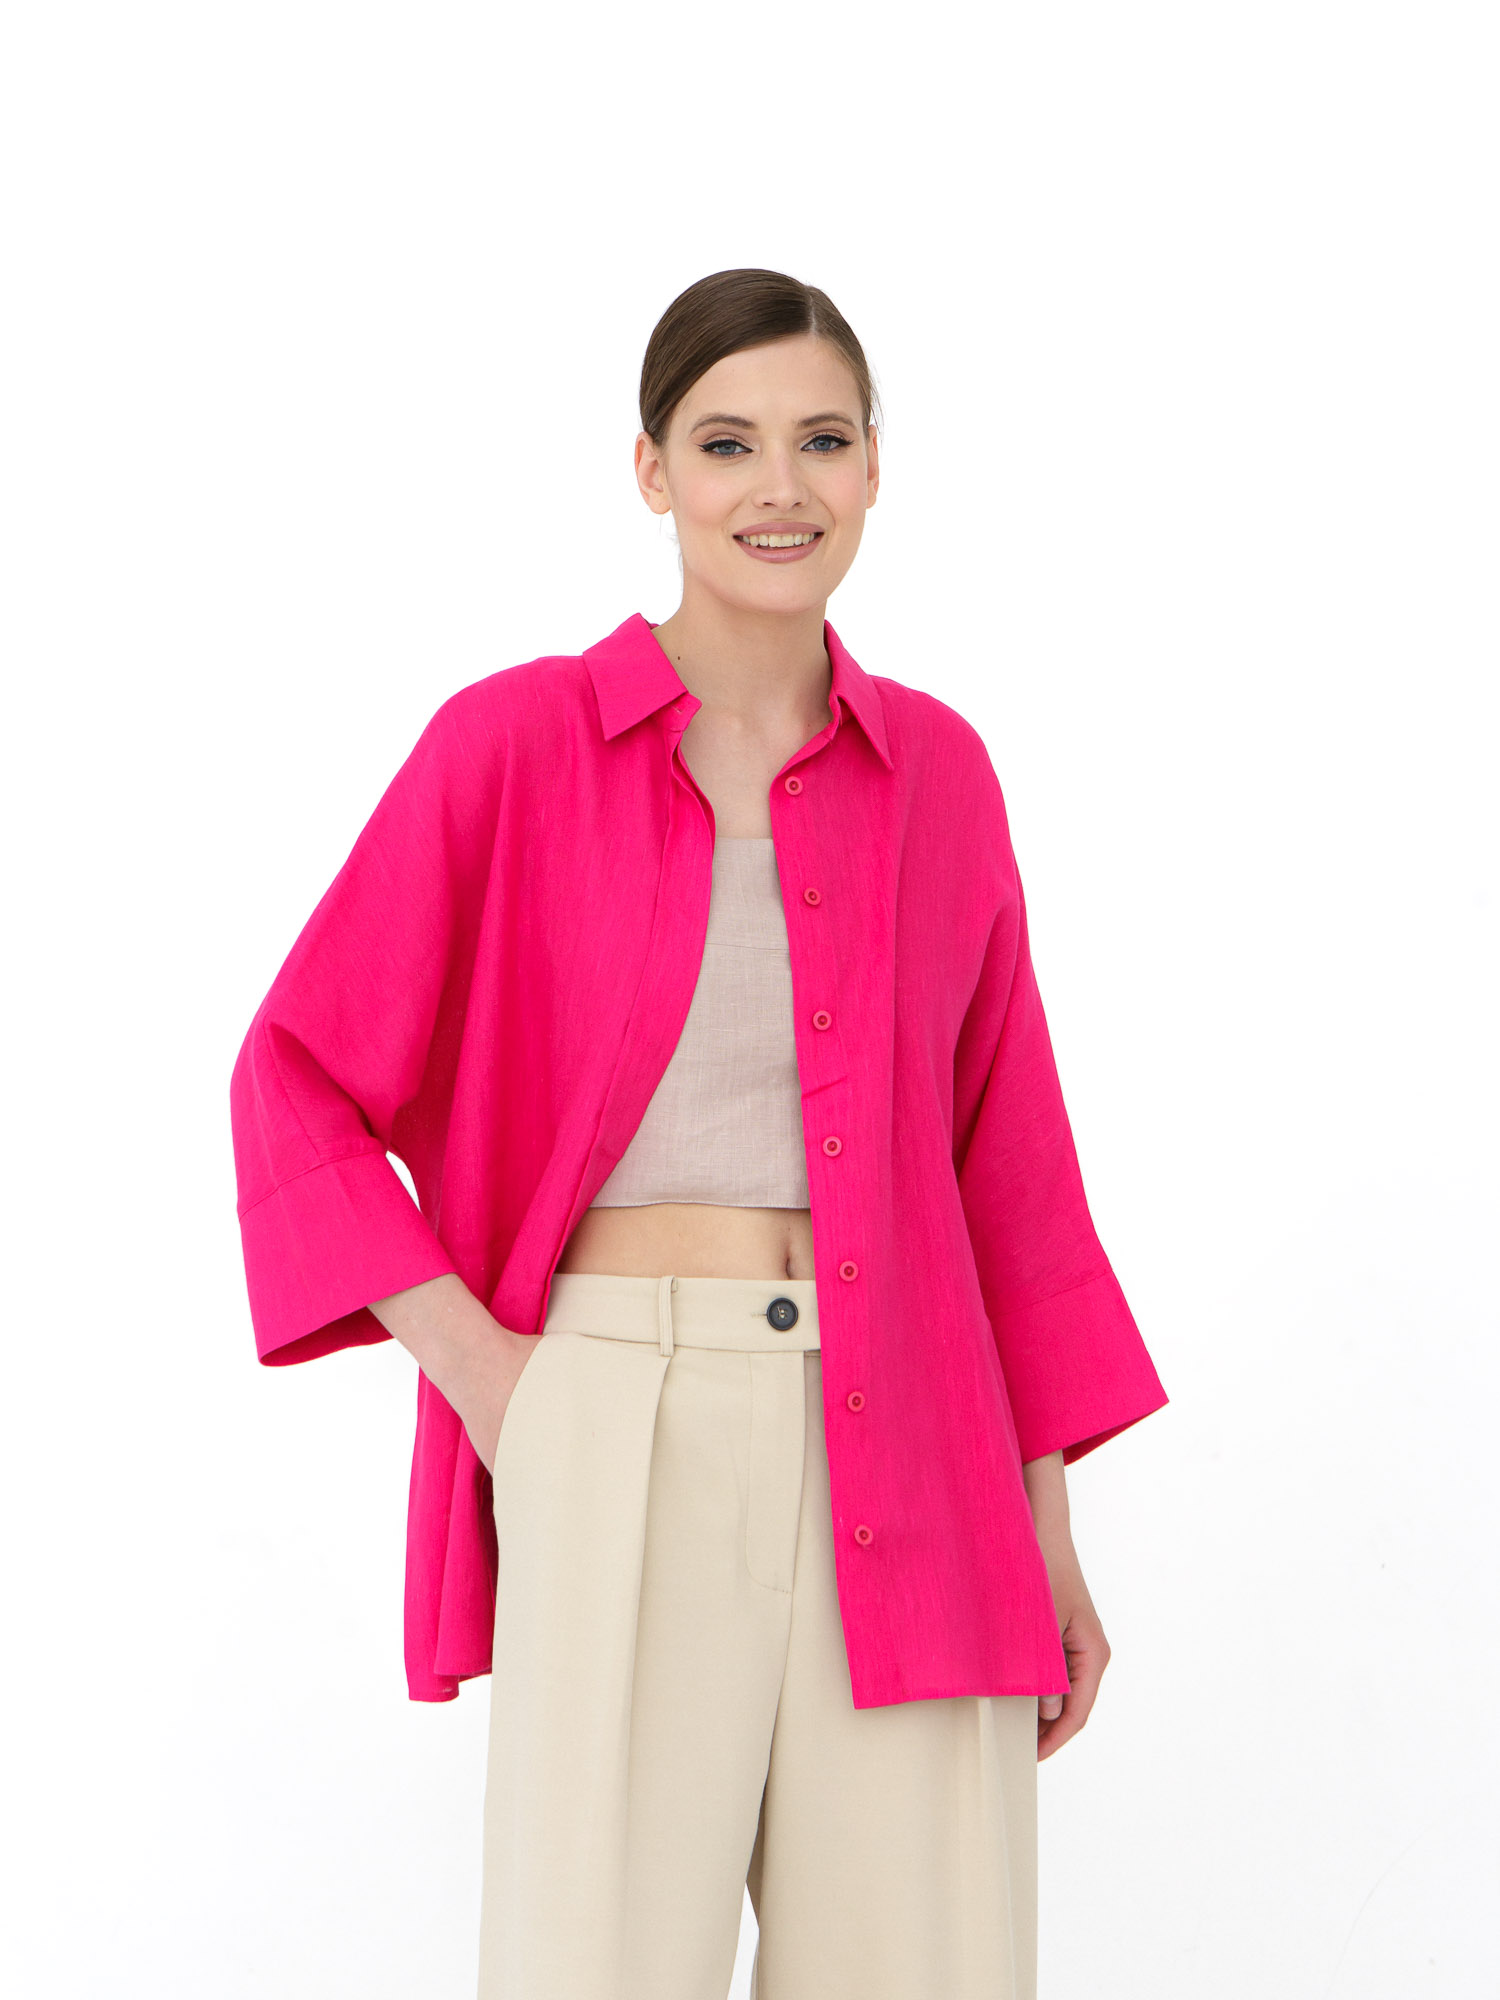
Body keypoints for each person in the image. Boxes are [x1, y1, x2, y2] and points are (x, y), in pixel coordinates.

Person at [230, 266, 1169, 2000]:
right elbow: (295, 1075)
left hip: (924, 1437)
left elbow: (1009, 1171)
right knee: (593, 1964)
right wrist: (499, 1383)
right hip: (620, 1413)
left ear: (877, 467)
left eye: (823, 440)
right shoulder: (514, 744)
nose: (779, 486)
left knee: (926, 1967)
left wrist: (1046, 1522)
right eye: (727, 443)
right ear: (652, 471)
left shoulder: (940, 774)